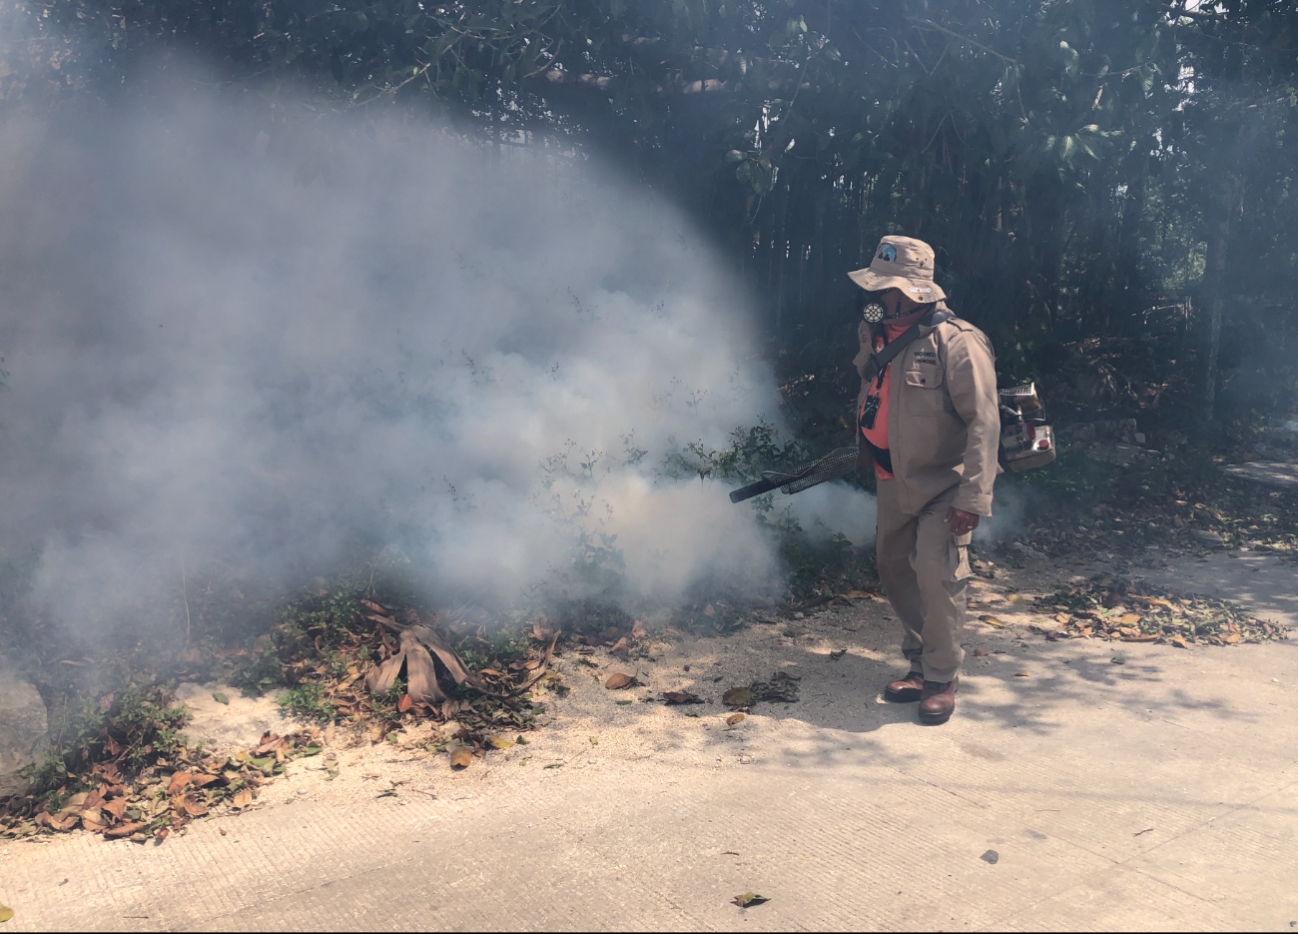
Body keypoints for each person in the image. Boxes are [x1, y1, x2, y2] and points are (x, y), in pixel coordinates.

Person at [848, 236, 999, 725]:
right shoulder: (874, 330)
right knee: (894, 569)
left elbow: (984, 422)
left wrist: (973, 495)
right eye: (874, 286)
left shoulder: (958, 342)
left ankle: (940, 677)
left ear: (914, 291)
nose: (874, 295)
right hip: (892, 477)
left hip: (944, 484)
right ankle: (919, 661)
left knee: (936, 573)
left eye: (885, 288)